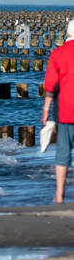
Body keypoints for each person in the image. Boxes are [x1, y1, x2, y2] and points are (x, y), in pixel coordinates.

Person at [41, 18, 74, 203]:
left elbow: (51, 85)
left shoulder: (58, 54)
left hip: (66, 111)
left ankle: (60, 196)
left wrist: (46, 109)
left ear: (67, 34)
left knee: (63, 154)